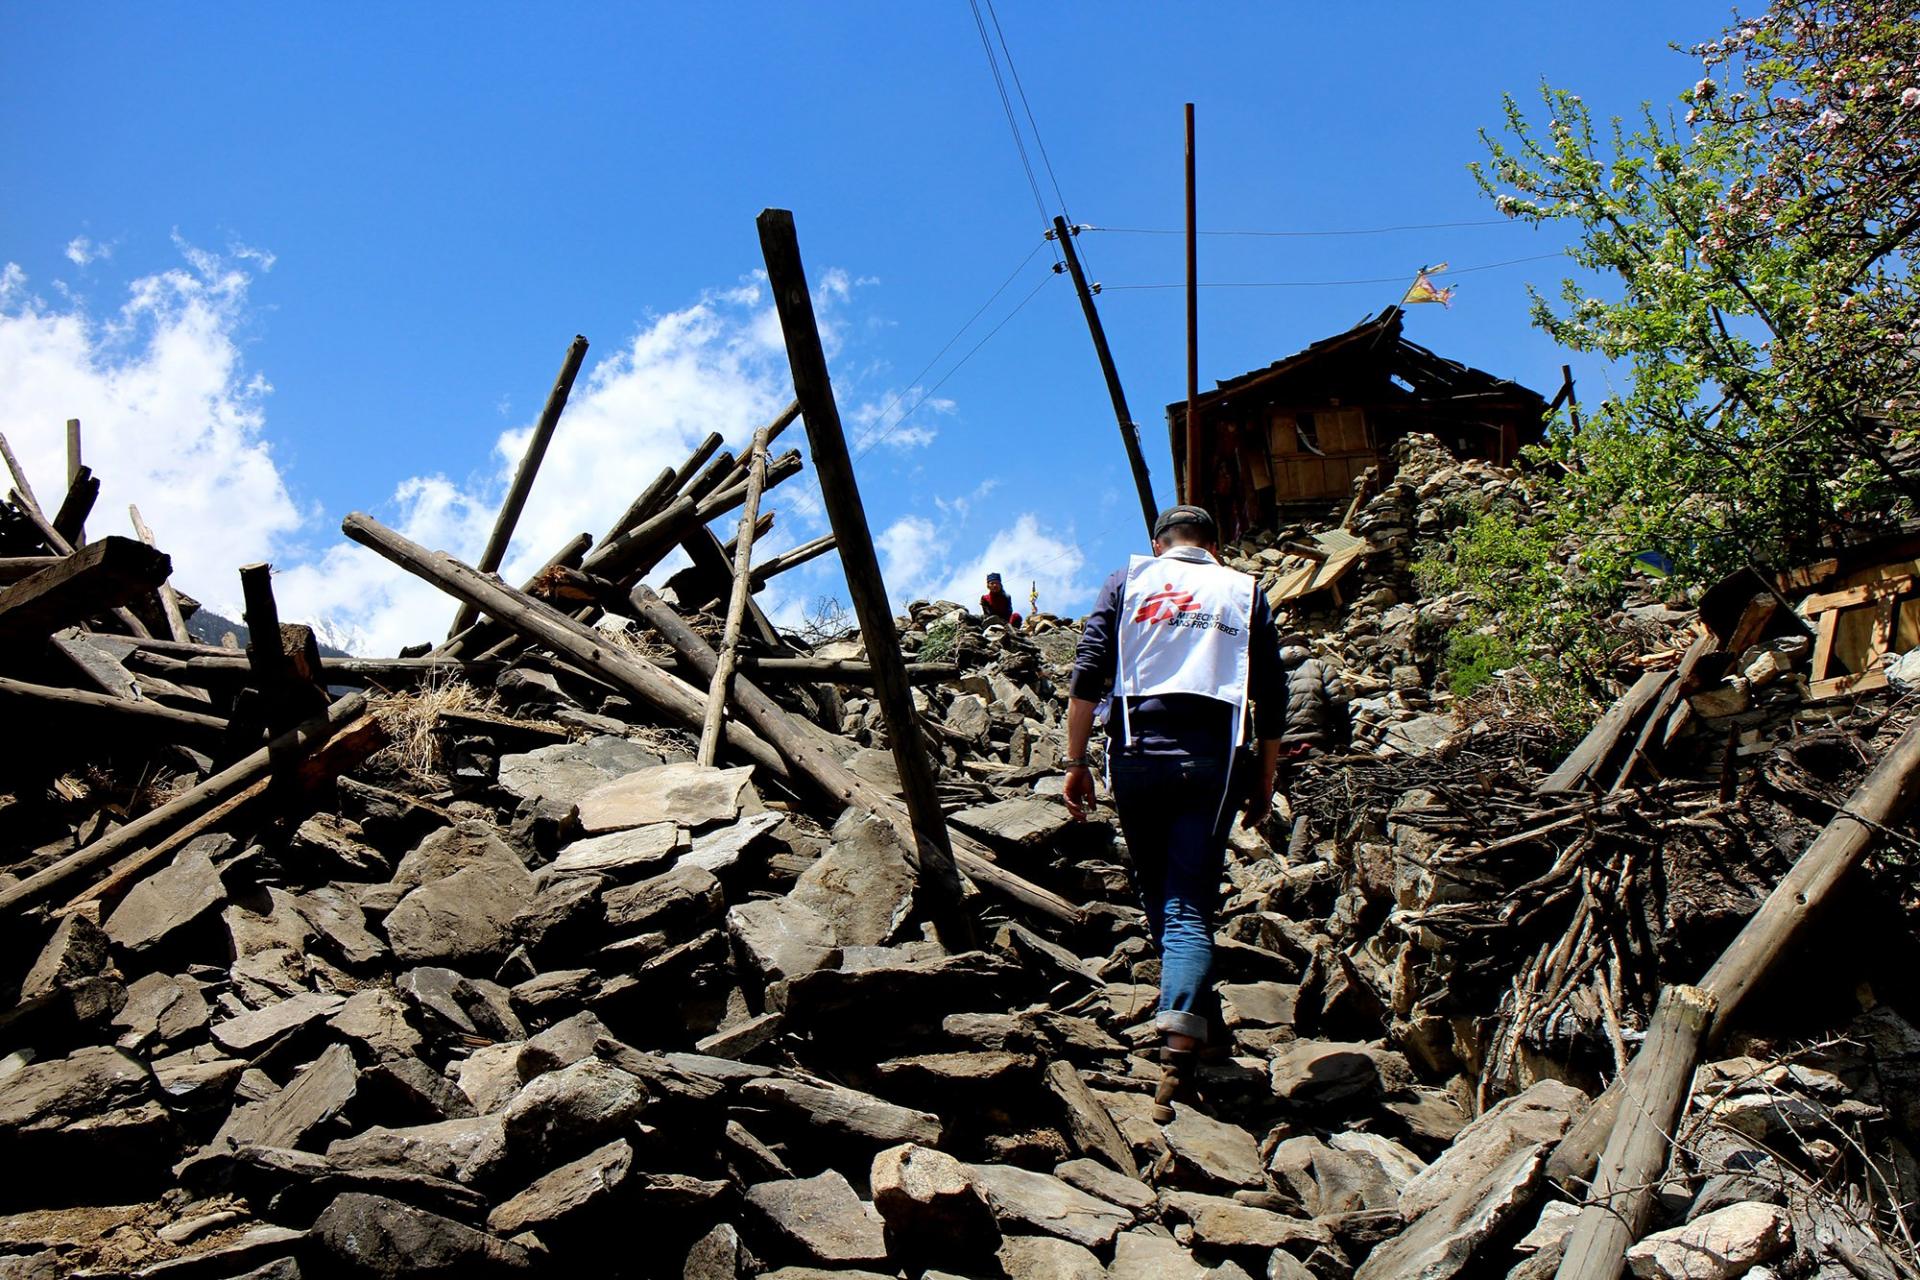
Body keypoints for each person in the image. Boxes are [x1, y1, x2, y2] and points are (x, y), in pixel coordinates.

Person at [1061, 504, 1285, 1123]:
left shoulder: (1127, 582)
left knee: (1160, 890)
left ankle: (1191, 1034)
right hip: (1213, 764)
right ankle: (1185, 1043)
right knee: (1188, 900)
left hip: (1134, 755)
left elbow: (1088, 676)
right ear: (1212, 545)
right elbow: (1272, 694)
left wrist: (1075, 760)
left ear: (1159, 543)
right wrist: (1263, 781)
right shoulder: (1244, 591)